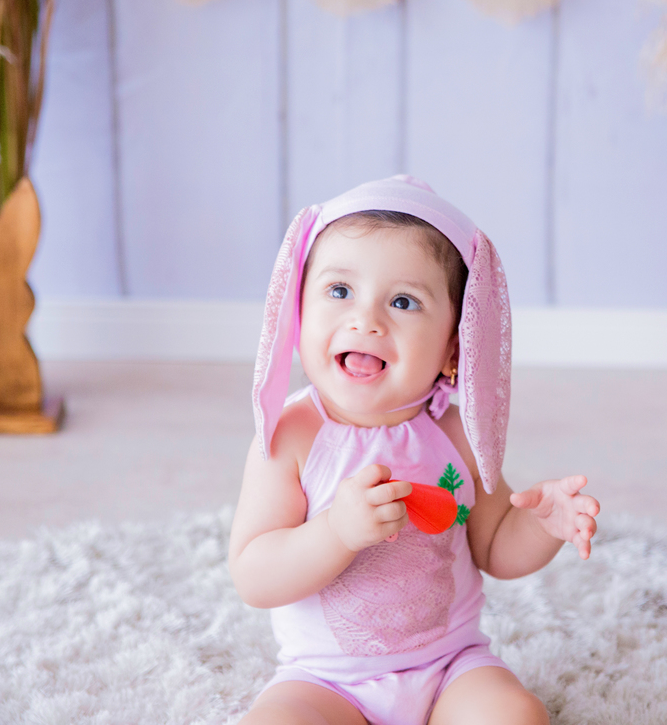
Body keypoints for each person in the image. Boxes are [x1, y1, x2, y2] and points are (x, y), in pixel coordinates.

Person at [229, 175, 600, 725]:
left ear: (455, 346)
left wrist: (544, 527)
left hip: (451, 666)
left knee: (517, 716)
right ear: (299, 308)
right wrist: (336, 532)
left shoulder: (455, 434)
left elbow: (494, 548)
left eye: (404, 301)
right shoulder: (291, 437)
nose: (366, 319)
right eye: (339, 291)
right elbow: (254, 576)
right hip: (325, 680)